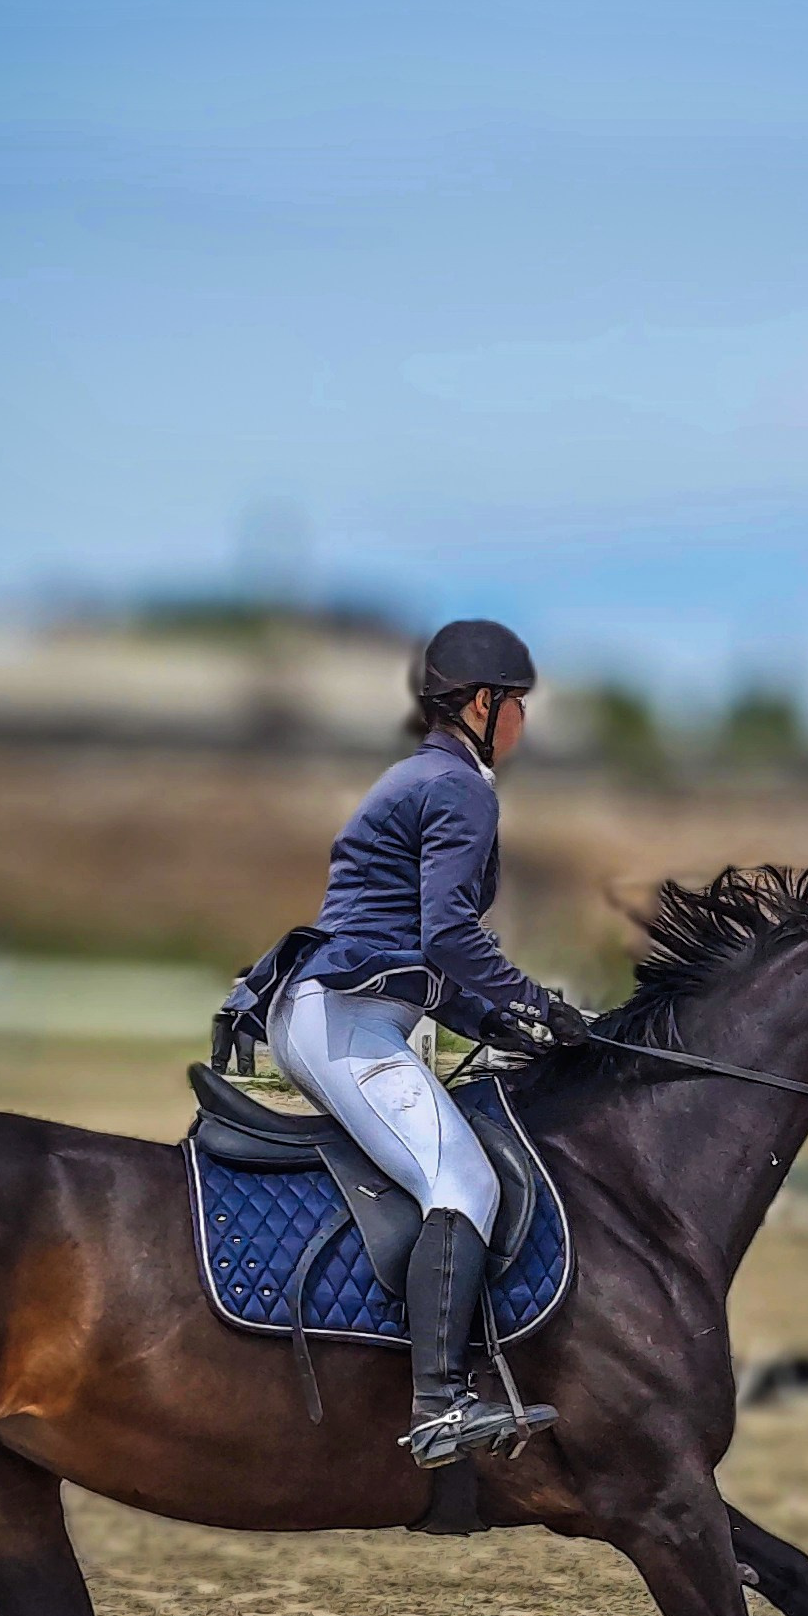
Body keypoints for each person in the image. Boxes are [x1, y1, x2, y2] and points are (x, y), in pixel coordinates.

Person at [216, 619, 591, 1470]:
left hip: (343, 1009)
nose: (524, 721)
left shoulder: (426, 776)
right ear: (485, 703)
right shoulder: (461, 788)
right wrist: (538, 1002)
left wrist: (493, 1022)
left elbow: (415, 950)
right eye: (519, 704)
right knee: (464, 1181)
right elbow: (449, 935)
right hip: (348, 1020)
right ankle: (438, 1406)